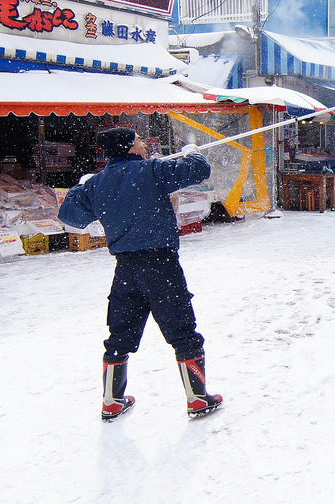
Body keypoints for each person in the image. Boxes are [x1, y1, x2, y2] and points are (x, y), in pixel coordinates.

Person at [58, 127, 223, 421]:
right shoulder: (152, 170)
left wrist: (81, 186)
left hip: (125, 270)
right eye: (138, 140)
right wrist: (191, 151)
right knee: (181, 330)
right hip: (161, 266)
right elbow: (200, 169)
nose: (144, 144)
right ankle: (197, 398)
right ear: (128, 147)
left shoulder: (96, 184)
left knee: (119, 334)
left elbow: (71, 216)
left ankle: (112, 401)